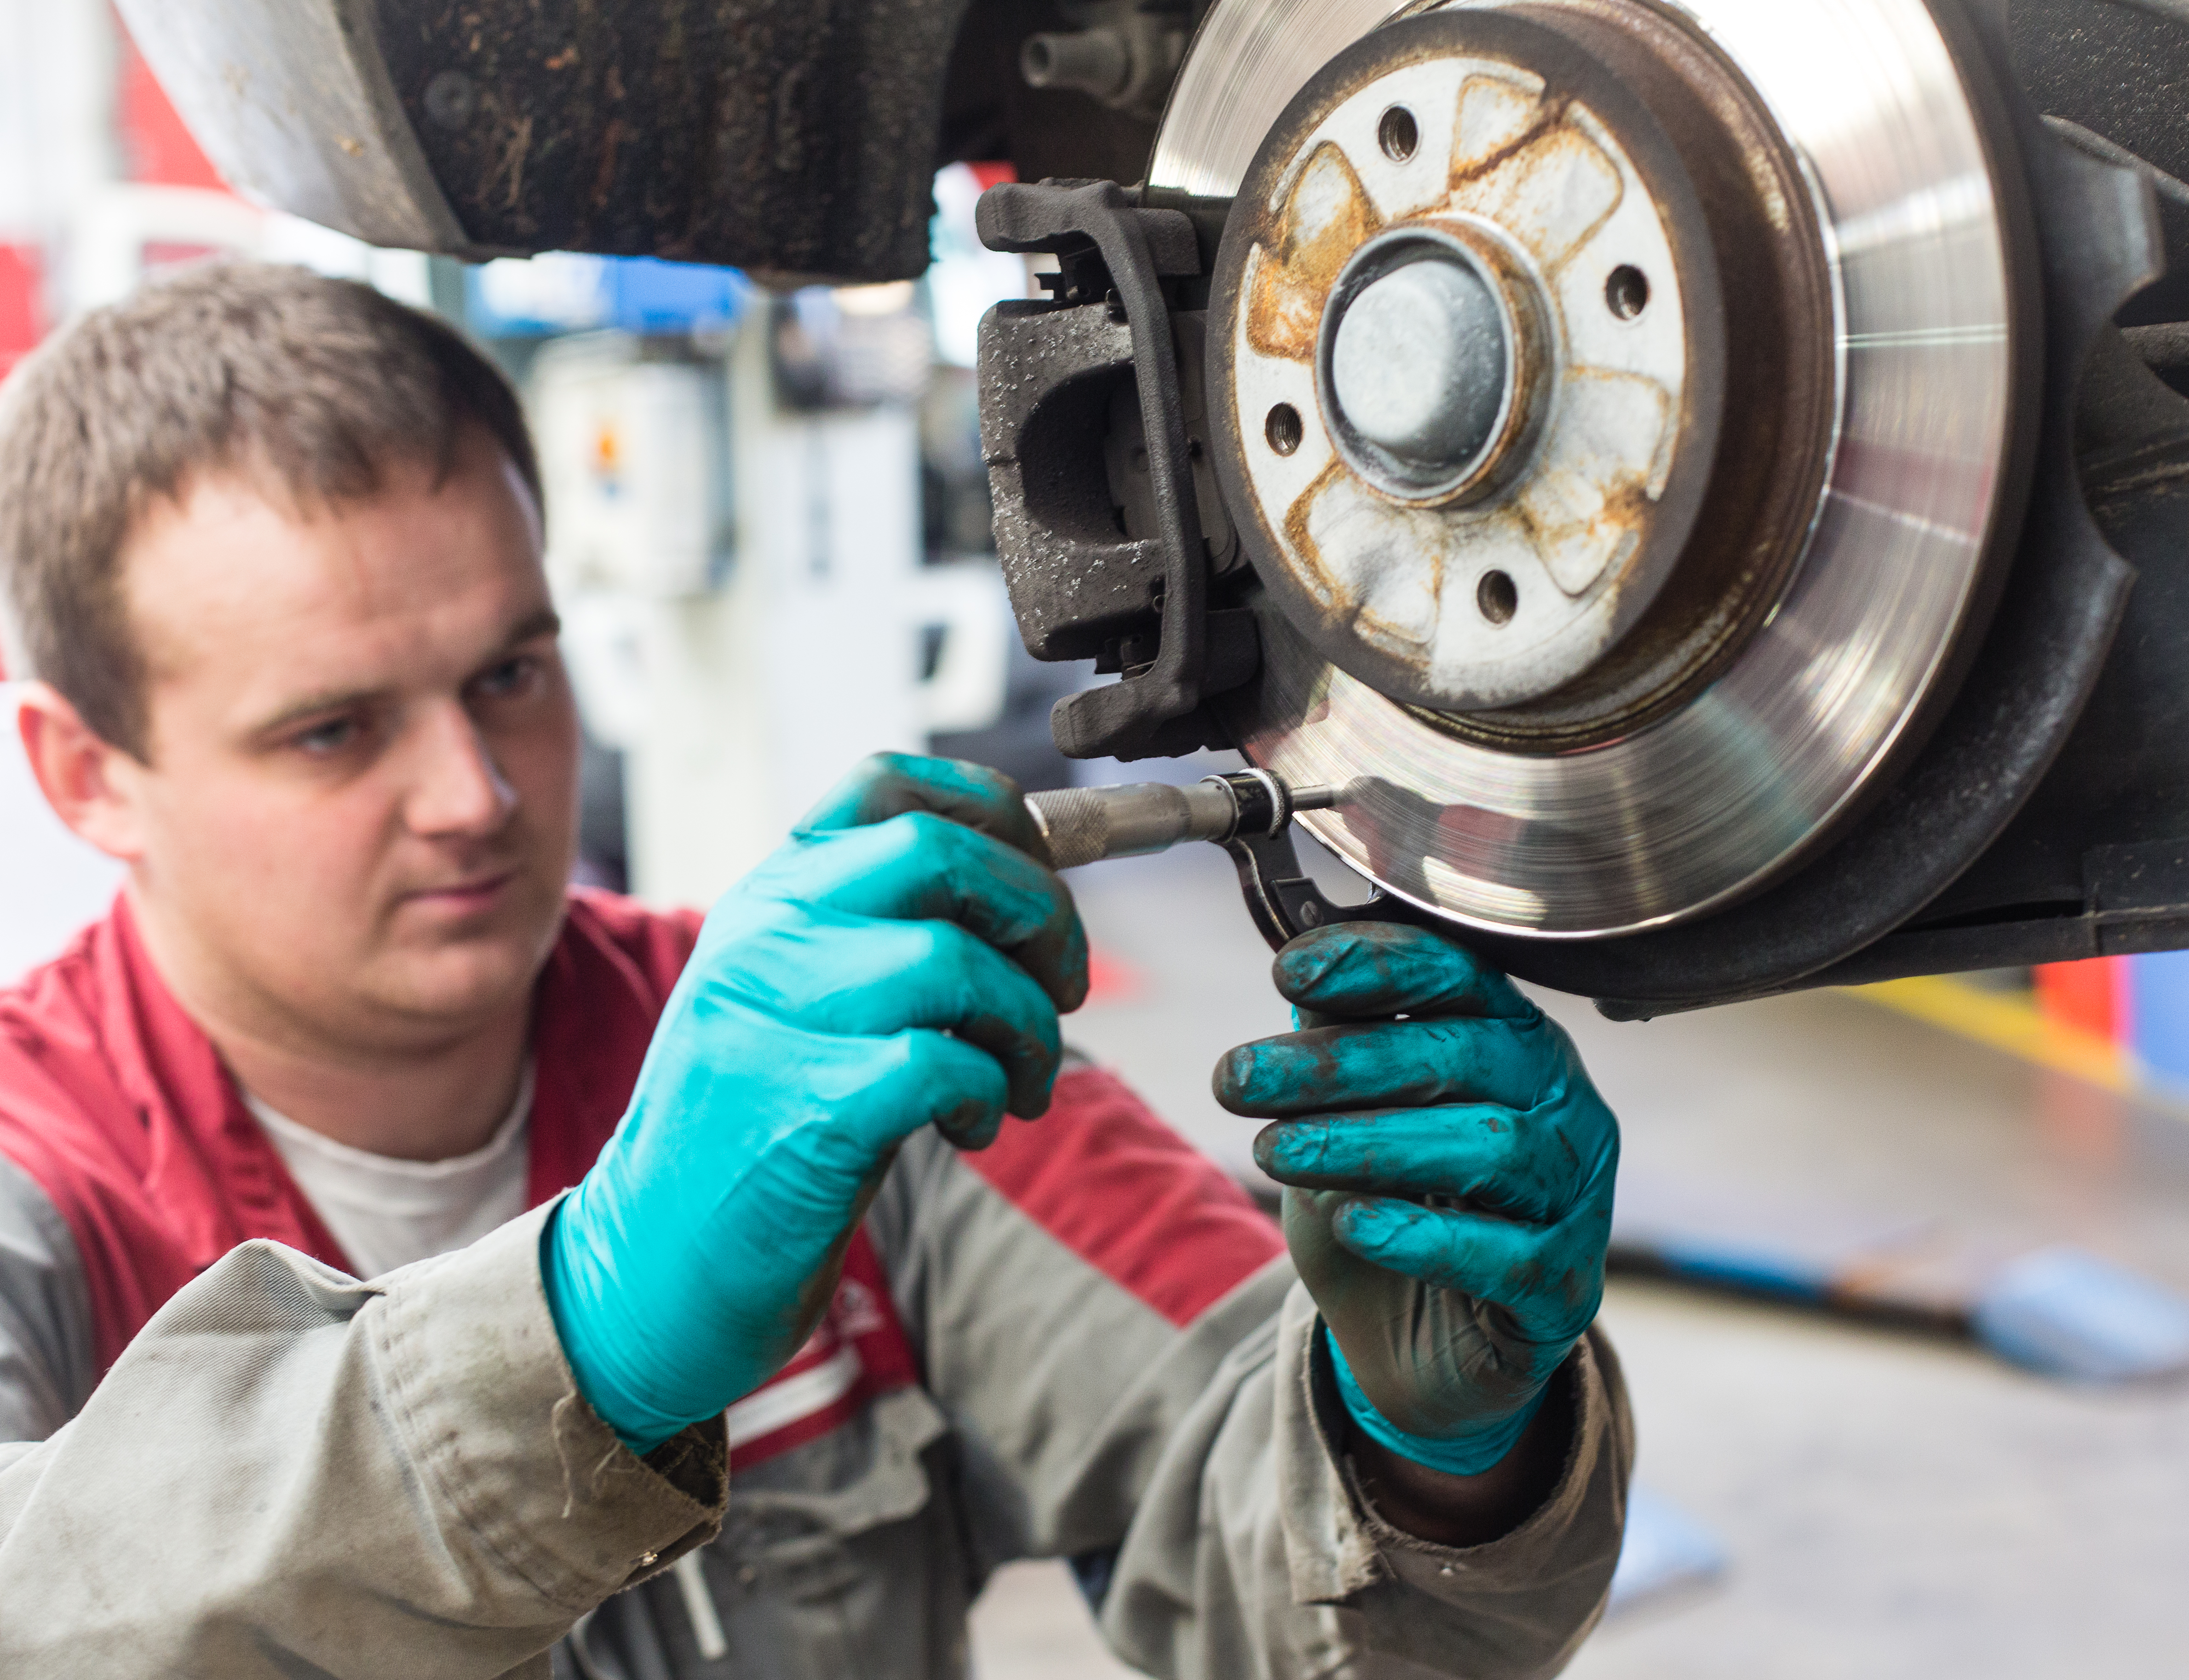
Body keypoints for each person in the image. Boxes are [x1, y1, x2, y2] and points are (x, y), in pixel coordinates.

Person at [0, 263, 1631, 1679]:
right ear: (81, 774)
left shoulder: (845, 1082)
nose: (474, 795)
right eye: (332, 730)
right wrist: (574, 1339)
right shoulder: (36, 1183)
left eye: (509, 673)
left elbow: (1331, 1623)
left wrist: (1430, 1455)